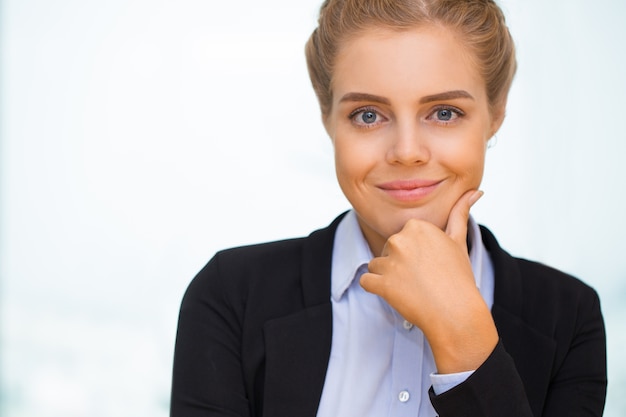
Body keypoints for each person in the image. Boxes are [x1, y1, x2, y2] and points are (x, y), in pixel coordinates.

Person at [170, 0, 607, 416]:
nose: (406, 152)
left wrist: (464, 334)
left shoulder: (569, 318)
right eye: (367, 115)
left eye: (444, 112)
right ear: (327, 116)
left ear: (496, 111)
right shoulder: (230, 297)